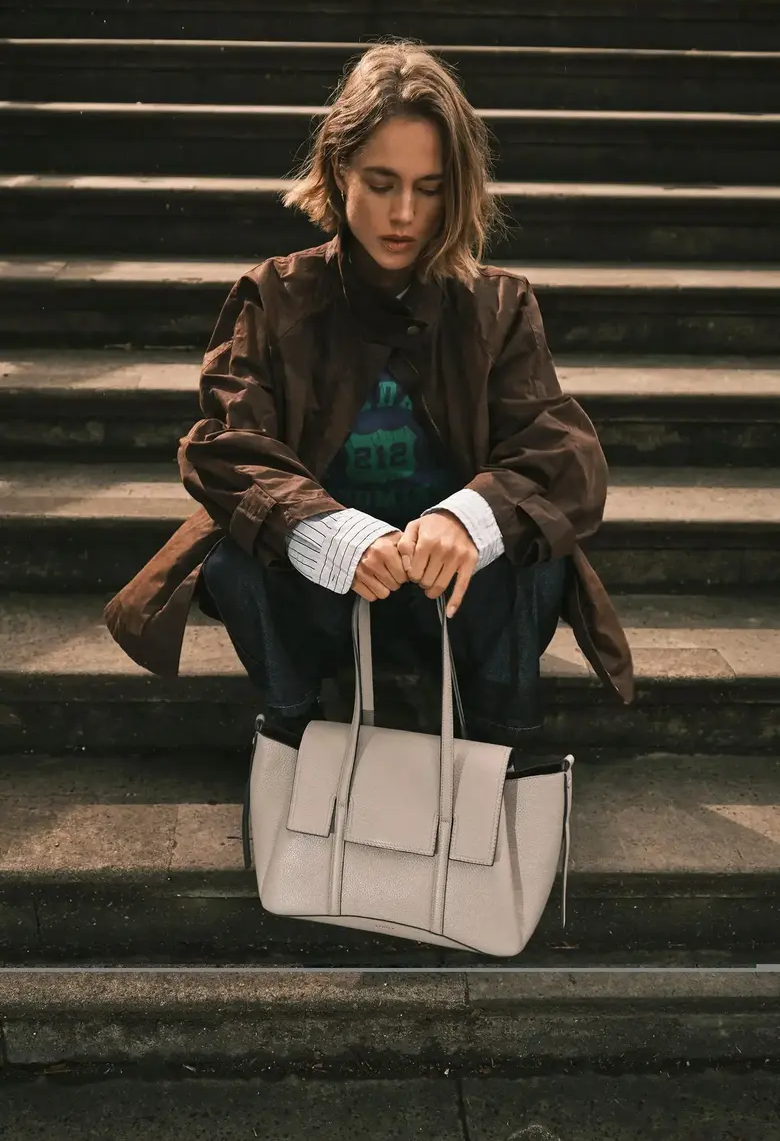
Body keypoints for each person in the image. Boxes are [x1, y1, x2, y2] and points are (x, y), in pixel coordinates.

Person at [103, 39, 634, 750]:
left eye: (431, 186)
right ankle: (295, 730)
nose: (405, 214)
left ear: (460, 186)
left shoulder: (497, 304)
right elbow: (226, 445)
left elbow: (560, 449)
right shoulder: (276, 296)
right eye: (382, 184)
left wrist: (466, 520)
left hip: (453, 597)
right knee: (231, 554)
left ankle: (502, 746)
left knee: (540, 551)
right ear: (338, 171)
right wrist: (335, 534)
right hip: (323, 596)